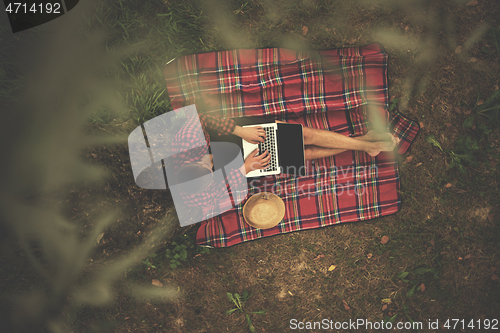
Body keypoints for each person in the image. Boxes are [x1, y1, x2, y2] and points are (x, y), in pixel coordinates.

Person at [169, 111, 399, 223]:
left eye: (207, 164)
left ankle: (366, 143)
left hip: (235, 136)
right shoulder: (197, 197)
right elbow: (225, 194)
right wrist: (244, 169)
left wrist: (240, 130)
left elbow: (204, 116)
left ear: (193, 159)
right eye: (212, 172)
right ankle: (366, 142)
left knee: (304, 135)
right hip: (243, 166)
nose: (211, 165)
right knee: (304, 154)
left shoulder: (187, 141)